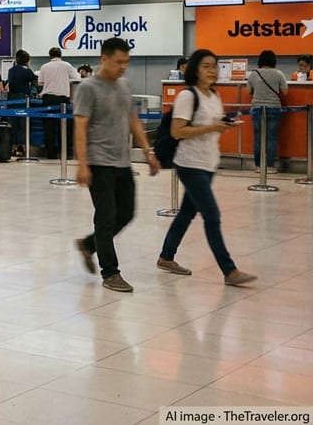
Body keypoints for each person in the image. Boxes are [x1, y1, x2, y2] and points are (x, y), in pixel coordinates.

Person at [158, 49, 257, 287]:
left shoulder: (213, 95)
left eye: (214, 66)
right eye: (206, 66)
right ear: (194, 69)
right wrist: (212, 128)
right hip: (189, 163)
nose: (212, 70)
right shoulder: (187, 96)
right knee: (212, 215)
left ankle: (166, 256)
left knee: (187, 213)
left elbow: (212, 125)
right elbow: (177, 131)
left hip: (208, 162)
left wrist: (221, 125)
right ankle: (229, 270)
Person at [73, 37, 160, 293]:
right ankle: (110, 272)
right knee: (106, 217)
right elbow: (80, 127)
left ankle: (89, 245)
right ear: (104, 59)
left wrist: (147, 150)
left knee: (126, 213)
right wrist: (82, 164)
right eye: (119, 62)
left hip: (122, 162)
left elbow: (132, 119)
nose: (123, 67)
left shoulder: (124, 85)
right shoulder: (88, 88)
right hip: (98, 162)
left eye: (126, 62)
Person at [246, 50, 288, 173]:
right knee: (272, 138)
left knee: (258, 137)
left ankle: (258, 166)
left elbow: (249, 91)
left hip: (257, 108)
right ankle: (269, 166)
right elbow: (285, 91)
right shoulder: (279, 73)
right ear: (274, 61)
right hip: (274, 108)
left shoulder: (254, 74)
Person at [38, 47, 81, 160]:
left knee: (49, 128)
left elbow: (40, 82)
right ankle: (65, 153)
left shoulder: (44, 67)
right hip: (62, 100)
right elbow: (78, 77)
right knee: (64, 127)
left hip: (47, 99)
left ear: (50, 56)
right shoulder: (66, 65)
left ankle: (50, 154)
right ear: (61, 55)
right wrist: (67, 80)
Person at [6, 49, 36, 156]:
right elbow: (36, 82)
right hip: (23, 99)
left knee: (13, 123)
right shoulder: (27, 71)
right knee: (23, 123)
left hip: (11, 99)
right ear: (27, 60)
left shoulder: (11, 70)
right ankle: (22, 147)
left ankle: (12, 147)